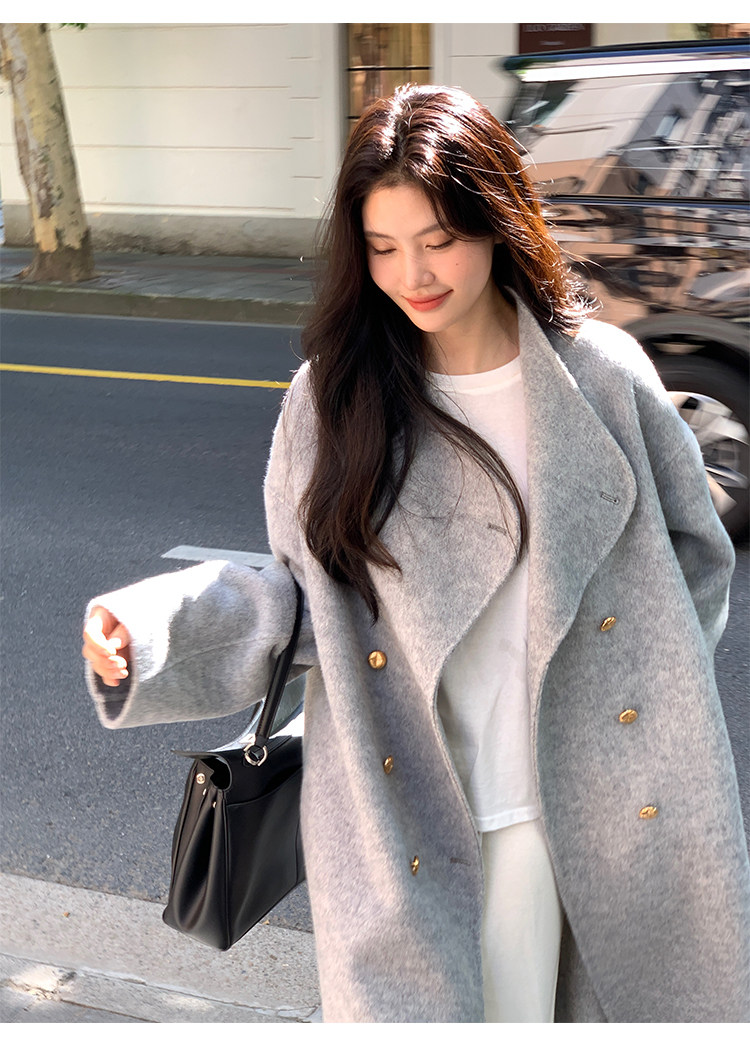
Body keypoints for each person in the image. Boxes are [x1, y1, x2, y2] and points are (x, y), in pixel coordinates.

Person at [82, 84, 750, 1023]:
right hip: (414, 814)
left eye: (438, 239)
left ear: (497, 221)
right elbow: (302, 600)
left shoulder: (600, 376)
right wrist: (150, 631)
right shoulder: (337, 401)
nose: (413, 273)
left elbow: (695, 552)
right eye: (383, 246)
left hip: (600, 804)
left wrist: (644, 693)